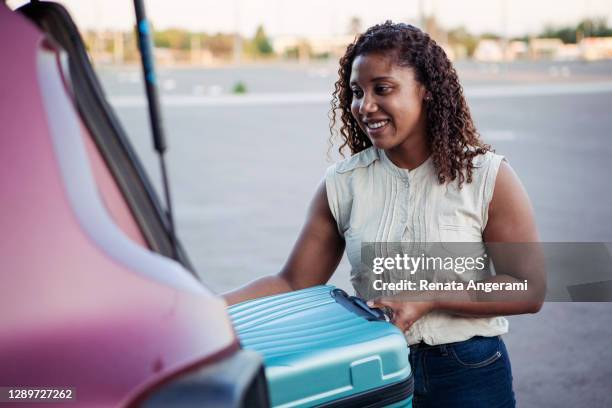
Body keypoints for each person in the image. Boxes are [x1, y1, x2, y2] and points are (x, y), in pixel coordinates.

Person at [225, 21, 544, 408]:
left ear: (425, 88)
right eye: (357, 92)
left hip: (469, 372)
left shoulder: (487, 175)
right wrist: (205, 310)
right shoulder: (342, 184)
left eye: (383, 89)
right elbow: (293, 282)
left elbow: (527, 287)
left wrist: (429, 297)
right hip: (377, 369)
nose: (365, 106)